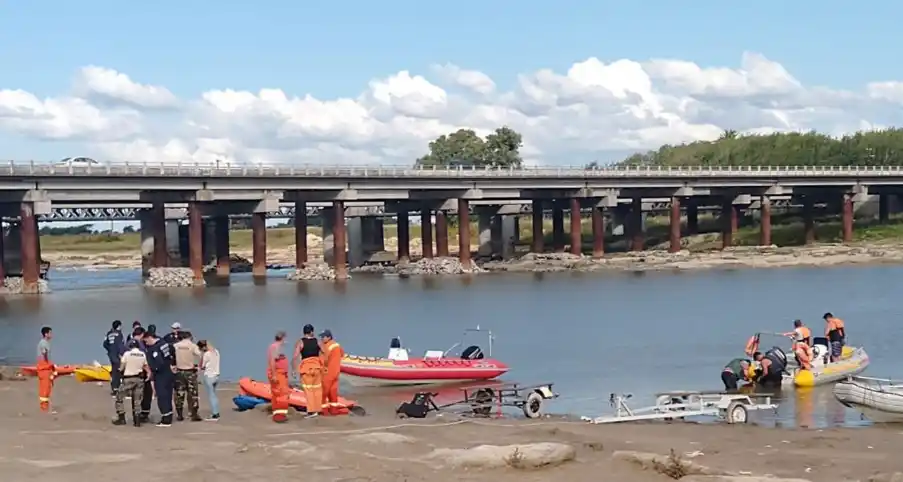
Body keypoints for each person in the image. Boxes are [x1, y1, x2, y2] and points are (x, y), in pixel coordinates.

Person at [114, 339, 150, 427]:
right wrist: (149, 374)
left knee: (119, 397)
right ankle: (137, 420)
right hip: (139, 379)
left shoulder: (127, 354)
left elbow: (122, 368)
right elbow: (146, 366)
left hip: (128, 379)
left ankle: (121, 417)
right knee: (137, 400)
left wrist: (118, 371)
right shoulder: (142, 354)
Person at [144, 330, 176, 427]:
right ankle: (169, 415)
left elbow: (158, 362)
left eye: (146, 341)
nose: (146, 343)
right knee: (168, 394)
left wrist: (153, 370)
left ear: (150, 337)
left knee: (162, 396)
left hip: (161, 374)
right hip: (169, 372)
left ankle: (166, 419)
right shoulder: (164, 343)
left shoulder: (154, 349)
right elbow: (172, 353)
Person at [293, 324, 323, 419]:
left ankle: (311, 411)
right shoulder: (318, 341)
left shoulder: (300, 342)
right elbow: (324, 352)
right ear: (312, 332)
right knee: (317, 389)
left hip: (306, 369)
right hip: (317, 368)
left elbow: (295, 357)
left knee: (308, 390)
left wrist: (294, 370)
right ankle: (317, 409)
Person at [173, 331, 202, 422]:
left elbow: (171, 356)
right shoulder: (192, 346)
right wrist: (198, 366)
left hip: (179, 371)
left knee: (179, 394)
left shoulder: (176, 346)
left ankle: (179, 414)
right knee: (193, 393)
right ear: (189, 337)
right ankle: (193, 414)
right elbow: (201, 355)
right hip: (190, 372)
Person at [319, 329, 344, 415]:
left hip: (328, 372)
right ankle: (334, 410)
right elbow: (342, 354)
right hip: (336, 372)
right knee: (333, 392)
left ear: (329, 337)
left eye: (323, 337)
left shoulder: (326, 347)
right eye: (321, 337)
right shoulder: (337, 344)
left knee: (323, 393)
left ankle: (324, 411)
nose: (322, 338)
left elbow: (323, 360)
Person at [132, 327, 154, 423]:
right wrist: (149, 371)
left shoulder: (128, 343)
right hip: (142, 373)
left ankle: (136, 414)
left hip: (132, 372)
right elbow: (145, 361)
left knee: (136, 395)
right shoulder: (141, 345)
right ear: (141, 335)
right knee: (146, 393)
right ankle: (143, 414)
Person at [197, 340, 220, 421]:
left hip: (209, 376)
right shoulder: (216, 351)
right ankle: (216, 411)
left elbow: (202, 366)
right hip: (216, 375)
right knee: (214, 395)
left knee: (211, 396)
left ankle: (215, 414)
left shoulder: (206, 354)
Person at [103, 320, 126, 397]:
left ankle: (114, 388)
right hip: (117, 356)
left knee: (114, 371)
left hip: (111, 355)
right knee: (118, 371)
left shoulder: (109, 333)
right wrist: (122, 354)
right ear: (118, 326)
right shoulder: (119, 334)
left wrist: (110, 350)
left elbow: (105, 344)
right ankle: (117, 389)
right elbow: (121, 345)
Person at [36, 326, 56, 413]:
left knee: (44, 388)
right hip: (44, 368)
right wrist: (49, 364)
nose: (51, 335)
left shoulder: (43, 342)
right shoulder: (44, 343)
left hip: (43, 368)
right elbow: (44, 353)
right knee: (45, 388)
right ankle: (44, 408)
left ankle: (44, 407)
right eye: (50, 333)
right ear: (46, 334)